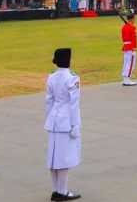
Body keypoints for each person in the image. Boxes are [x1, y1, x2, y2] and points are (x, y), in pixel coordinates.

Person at [44, 48, 82, 201]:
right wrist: (75, 125)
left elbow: (48, 101)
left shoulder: (51, 77)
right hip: (66, 121)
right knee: (64, 158)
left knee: (54, 158)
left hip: (54, 120)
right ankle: (63, 191)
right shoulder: (72, 78)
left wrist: (49, 119)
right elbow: (73, 104)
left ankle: (56, 190)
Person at [121, 12, 137, 87]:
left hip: (126, 46)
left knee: (126, 63)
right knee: (130, 64)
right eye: (134, 18)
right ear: (132, 19)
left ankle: (125, 79)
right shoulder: (132, 27)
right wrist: (134, 48)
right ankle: (127, 79)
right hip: (131, 47)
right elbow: (133, 39)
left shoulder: (124, 27)